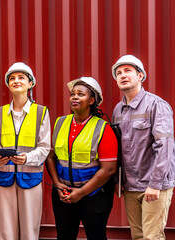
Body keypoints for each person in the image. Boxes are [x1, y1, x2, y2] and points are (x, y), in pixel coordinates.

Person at [46, 77, 118, 240]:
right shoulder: (60, 122)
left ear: (92, 100)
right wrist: (57, 185)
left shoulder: (102, 128)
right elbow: (50, 157)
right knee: (64, 236)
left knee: (96, 236)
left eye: (81, 94)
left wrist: (81, 192)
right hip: (63, 193)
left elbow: (109, 169)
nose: (75, 97)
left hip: (94, 195)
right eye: (72, 94)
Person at [112, 55, 175, 240]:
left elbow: (165, 146)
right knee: (138, 236)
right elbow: (119, 149)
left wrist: (155, 185)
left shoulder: (157, 105)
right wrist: (119, 180)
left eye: (128, 71)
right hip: (131, 185)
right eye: (118, 73)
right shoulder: (118, 109)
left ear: (140, 75)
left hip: (154, 185)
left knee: (152, 237)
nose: (122, 75)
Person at [0, 62, 51, 240]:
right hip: (3, 179)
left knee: (29, 233)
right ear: (8, 84)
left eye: (21, 77)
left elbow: (45, 146)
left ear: (30, 83)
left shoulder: (41, 112)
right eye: (12, 78)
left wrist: (28, 158)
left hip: (30, 179)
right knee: (5, 232)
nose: (16, 81)